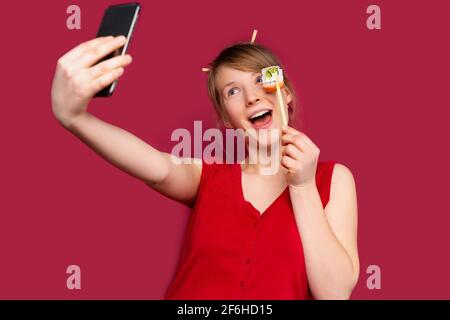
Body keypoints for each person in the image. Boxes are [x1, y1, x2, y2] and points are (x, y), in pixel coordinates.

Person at [51, 35, 359, 300]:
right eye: (233, 91)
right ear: (226, 119)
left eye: (260, 80)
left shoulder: (333, 180)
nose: (252, 97)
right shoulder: (207, 178)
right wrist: (75, 119)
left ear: (285, 94)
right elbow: (156, 166)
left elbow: (334, 292)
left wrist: (303, 186)